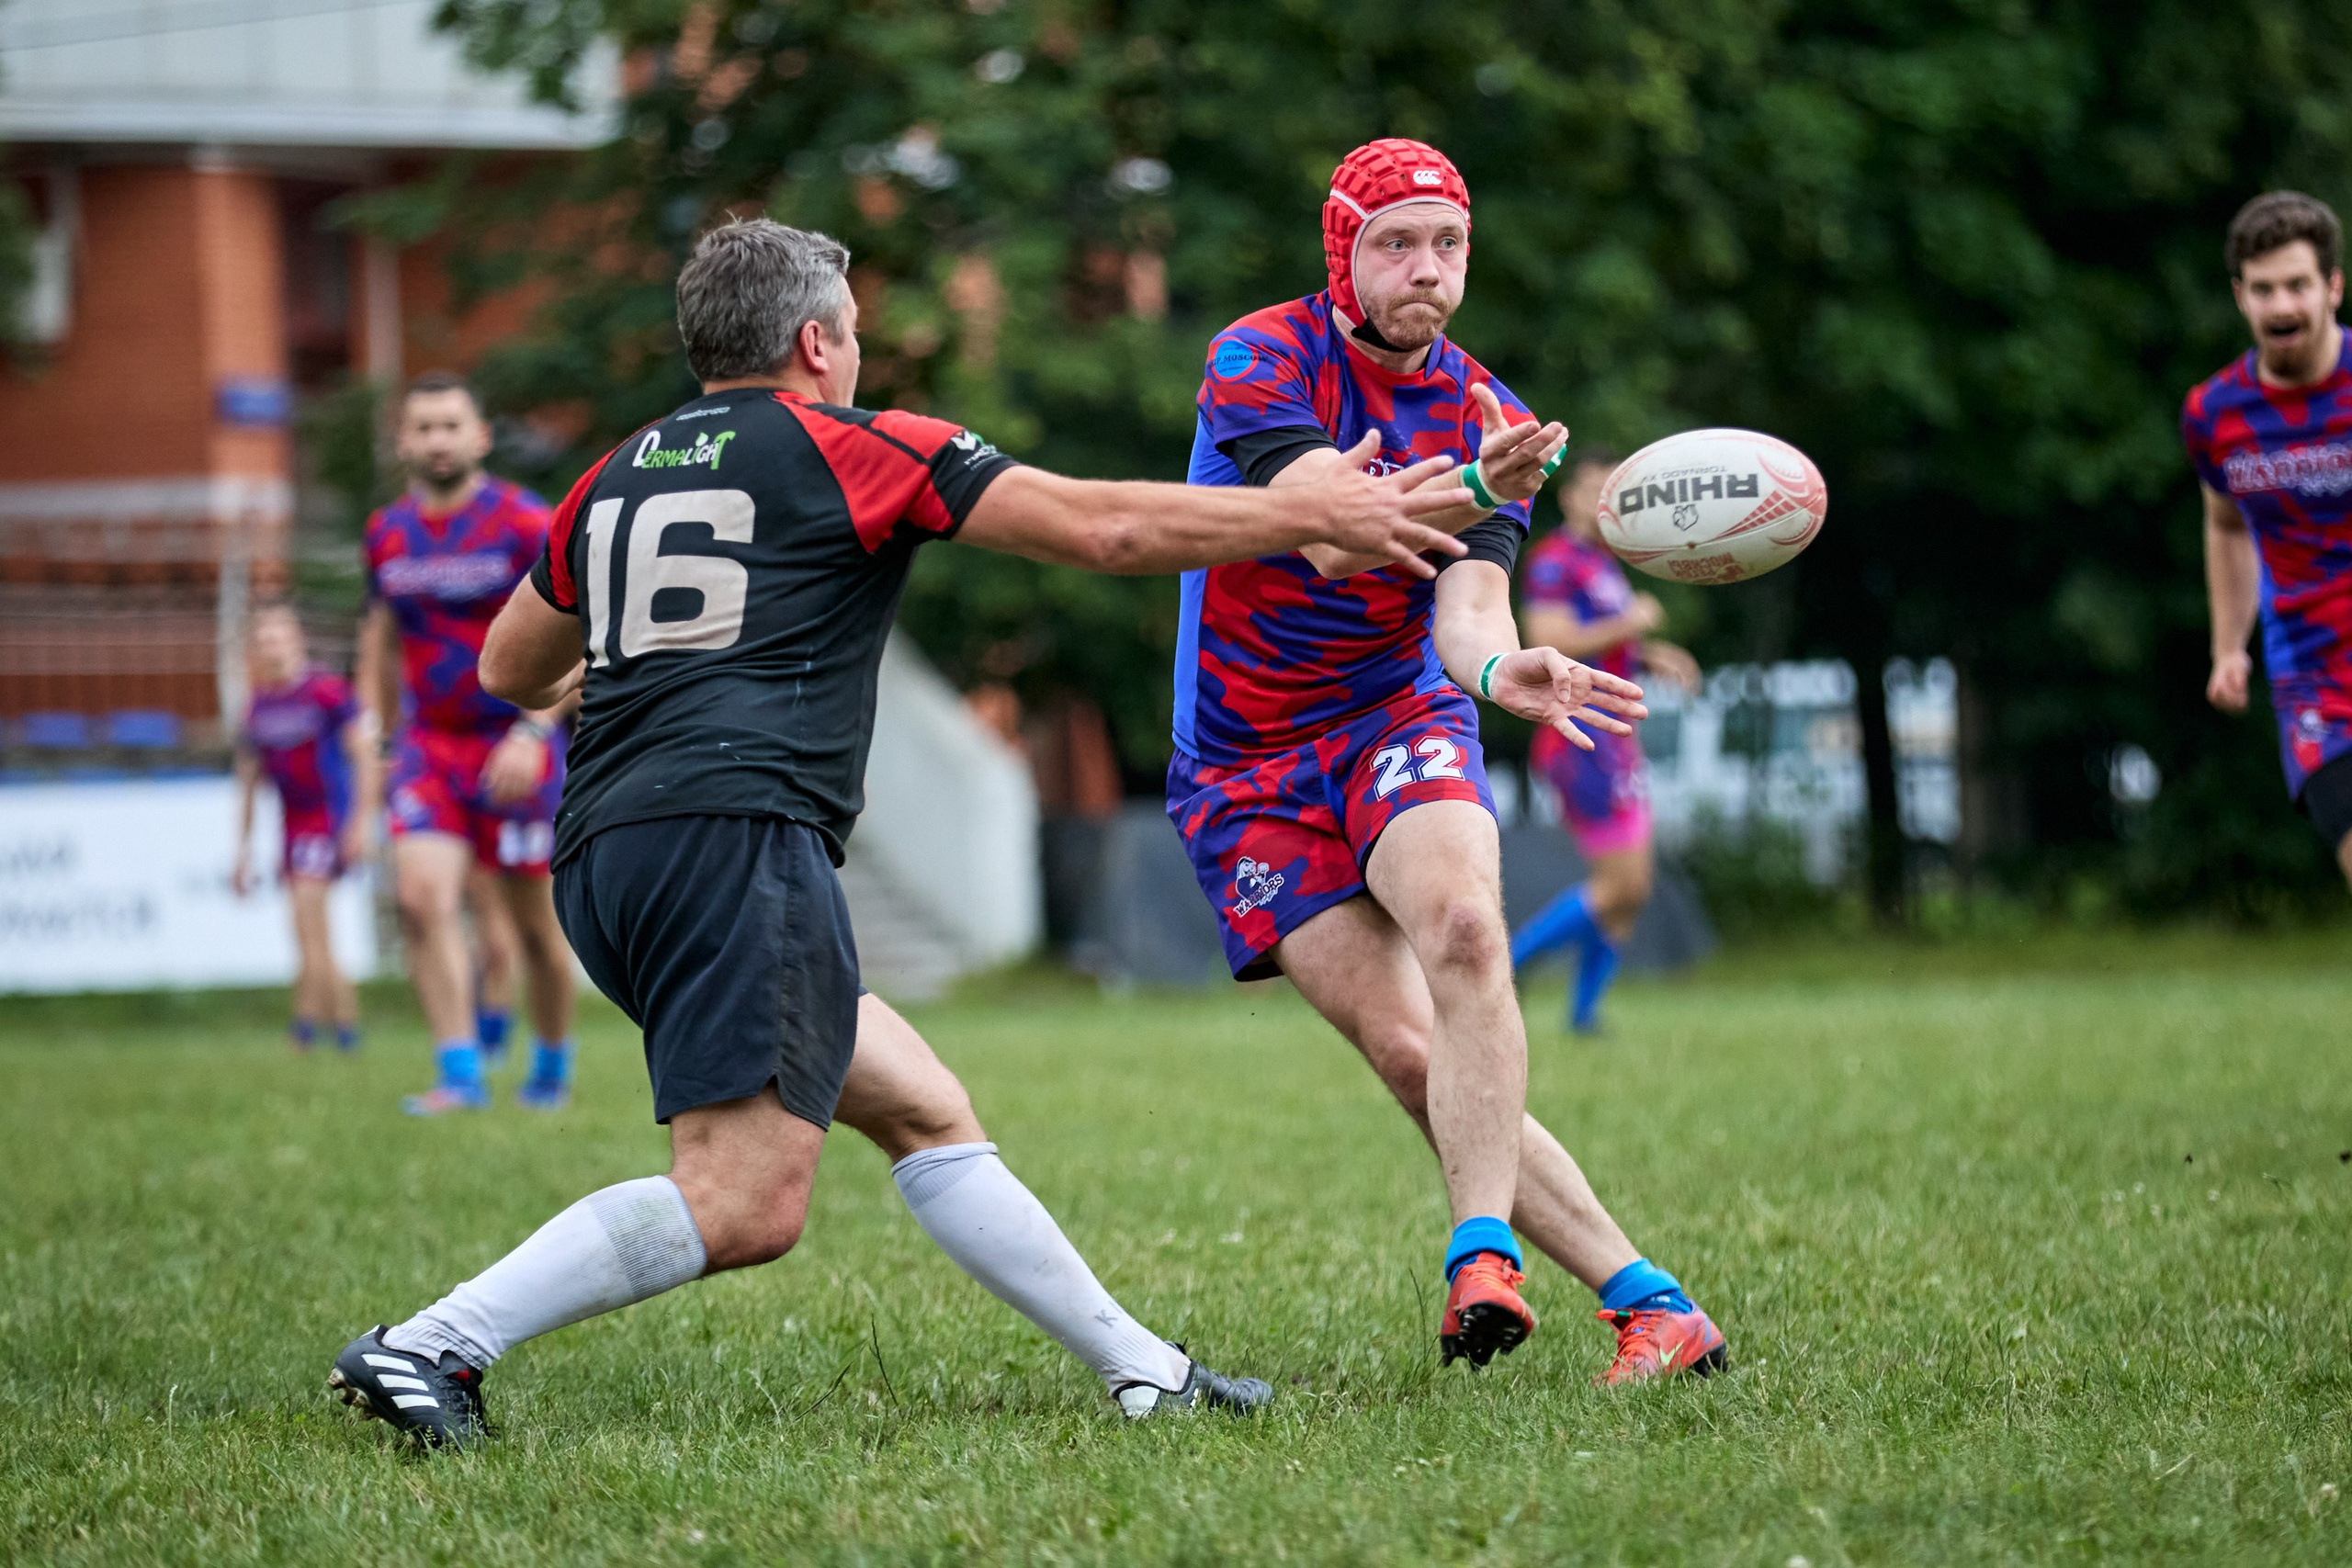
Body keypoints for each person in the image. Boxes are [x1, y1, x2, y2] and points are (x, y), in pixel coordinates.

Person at [326, 217, 1476, 1448]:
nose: (862, 357)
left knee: (924, 1104)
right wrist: (1308, 514)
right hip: (734, 839)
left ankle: (1147, 1370)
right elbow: (1104, 529)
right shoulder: (859, 448)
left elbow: (511, 662)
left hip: (607, 850)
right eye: (859, 335)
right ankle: (435, 1340)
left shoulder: (619, 467)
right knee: (746, 1199)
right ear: (818, 342)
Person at [1168, 137, 1727, 1380]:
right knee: (1413, 1054)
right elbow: (1329, 533)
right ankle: (1655, 1300)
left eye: (1449, 244)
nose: (1427, 267)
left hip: (1393, 711)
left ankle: (1483, 1251)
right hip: (1241, 764)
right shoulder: (1260, 357)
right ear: (1343, 251)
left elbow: (1468, 607)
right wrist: (1475, 482)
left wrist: (1497, 668)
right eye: (1396, 243)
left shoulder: (1495, 415)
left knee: (1468, 928)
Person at [356, 373, 579, 1113]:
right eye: (423, 427)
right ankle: (460, 1075)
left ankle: (549, 1066)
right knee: (421, 901)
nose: (437, 439)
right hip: (429, 747)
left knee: (535, 931)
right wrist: (383, 738)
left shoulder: (524, 521)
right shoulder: (386, 532)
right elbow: (380, 641)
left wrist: (534, 727)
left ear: (480, 435)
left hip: (515, 745)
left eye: (451, 424)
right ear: (402, 442)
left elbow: (584, 639)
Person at [2187, 191, 2352, 884]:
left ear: (2333, 287)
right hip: (2316, 678)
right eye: (2263, 289)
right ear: (2239, 296)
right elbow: (2226, 526)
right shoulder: (2215, 413)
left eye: (2297, 286)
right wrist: (2229, 646)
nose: (2282, 306)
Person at [1507, 451, 1702, 1033]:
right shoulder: (1555, 561)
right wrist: (1632, 624)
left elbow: (1601, 642)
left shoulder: (1603, 562)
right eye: (1593, 490)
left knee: (1629, 893)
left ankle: (1584, 1015)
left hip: (1615, 737)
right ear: (1568, 498)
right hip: (1579, 737)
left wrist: (1646, 654)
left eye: (1611, 493)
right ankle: (1508, 965)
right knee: (1623, 884)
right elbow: (1547, 638)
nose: (1601, 503)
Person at [232, 604, 376, 1052]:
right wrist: (243, 849)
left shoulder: (328, 693)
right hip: (290, 825)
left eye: (278, 637)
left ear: (297, 641)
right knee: (302, 931)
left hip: (326, 820)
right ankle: (317, 1026)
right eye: (262, 640)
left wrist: (360, 823)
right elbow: (250, 782)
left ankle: (330, 1029)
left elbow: (364, 757)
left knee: (313, 928)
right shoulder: (257, 705)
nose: (270, 648)